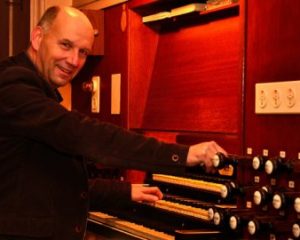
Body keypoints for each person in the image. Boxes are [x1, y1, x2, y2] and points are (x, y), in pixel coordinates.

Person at [0, 5, 227, 240]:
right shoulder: (12, 84)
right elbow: (83, 134)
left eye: (83, 52)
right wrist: (183, 154)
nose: (73, 60)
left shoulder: (38, 90)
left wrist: (125, 191)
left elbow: (50, 183)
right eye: (65, 45)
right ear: (38, 37)